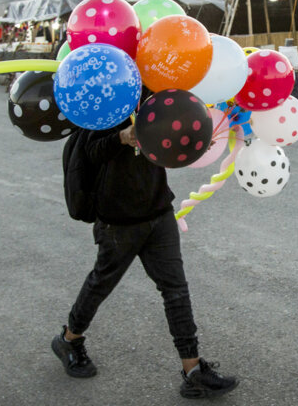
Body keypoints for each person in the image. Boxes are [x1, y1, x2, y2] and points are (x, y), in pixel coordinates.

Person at [51, 115, 238, 399]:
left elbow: (166, 139)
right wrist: (121, 137)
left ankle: (193, 372)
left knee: (175, 289)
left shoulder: (152, 91)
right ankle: (69, 339)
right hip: (118, 220)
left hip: (158, 208)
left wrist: (192, 141)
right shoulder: (105, 101)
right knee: (101, 283)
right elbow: (92, 151)